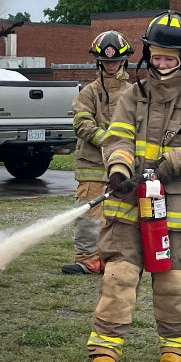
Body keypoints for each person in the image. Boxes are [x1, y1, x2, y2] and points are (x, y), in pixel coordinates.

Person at [86, 11, 181, 362]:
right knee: (119, 275)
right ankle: (106, 346)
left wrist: (176, 160)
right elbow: (118, 137)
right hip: (129, 204)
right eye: (157, 56)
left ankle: (175, 345)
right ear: (147, 55)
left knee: (175, 280)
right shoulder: (132, 97)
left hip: (179, 208)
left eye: (170, 57)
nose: (162, 63)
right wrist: (119, 168)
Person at [61, 31, 133, 275]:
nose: (110, 65)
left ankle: (114, 258)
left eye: (114, 61)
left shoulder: (135, 93)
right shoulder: (89, 92)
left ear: (123, 61)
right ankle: (87, 258)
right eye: (106, 61)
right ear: (98, 62)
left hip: (123, 165)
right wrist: (110, 142)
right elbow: (81, 123)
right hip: (92, 164)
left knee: (119, 214)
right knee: (89, 214)